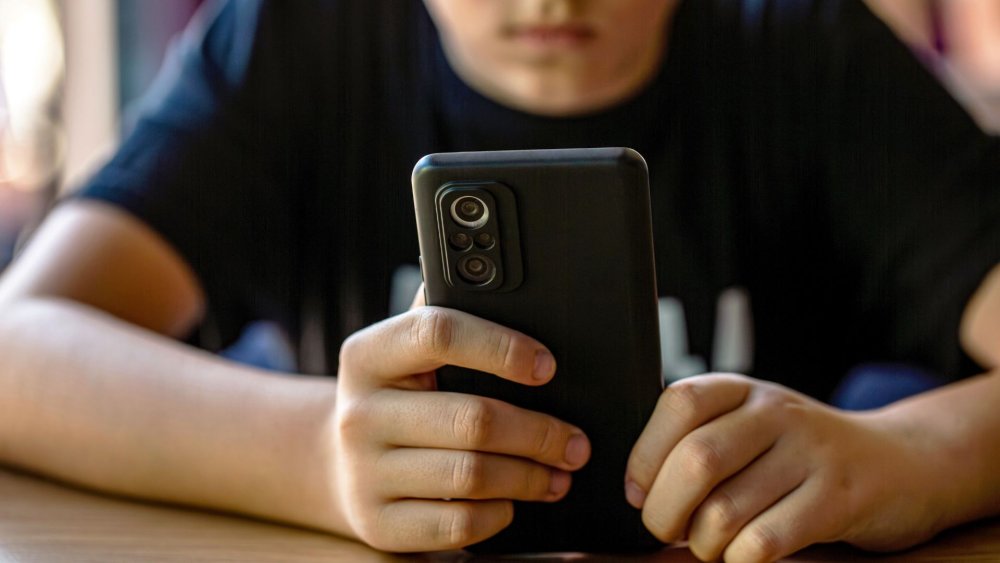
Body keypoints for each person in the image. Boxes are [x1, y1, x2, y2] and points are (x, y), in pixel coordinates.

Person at [0, 1, 998, 561]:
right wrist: (315, 456)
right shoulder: (294, 42)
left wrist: (909, 456)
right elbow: (17, 350)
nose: (550, 0)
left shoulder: (813, 53)